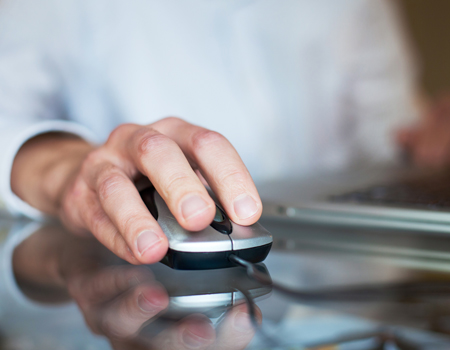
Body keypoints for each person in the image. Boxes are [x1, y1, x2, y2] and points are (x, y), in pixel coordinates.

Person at [0, 0, 431, 264]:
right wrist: (67, 170)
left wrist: (426, 145)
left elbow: (388, 133)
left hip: (344, 287)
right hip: (119, 294)